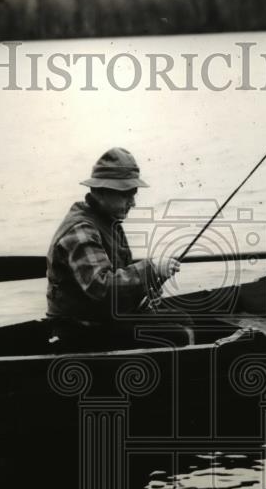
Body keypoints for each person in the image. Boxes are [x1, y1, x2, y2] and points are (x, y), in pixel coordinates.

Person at [46, 147, 193, 350]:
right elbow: (102, 287)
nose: (133, 202)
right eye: (127, 194)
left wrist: (148, 285)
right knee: (177, 336)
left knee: (185, 320)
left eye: (134, 194)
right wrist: (151, 269)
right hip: (81, 329)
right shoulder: (81, 230)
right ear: (101, 192)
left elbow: (120, 273)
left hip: (104, 317)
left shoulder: (108, 221)